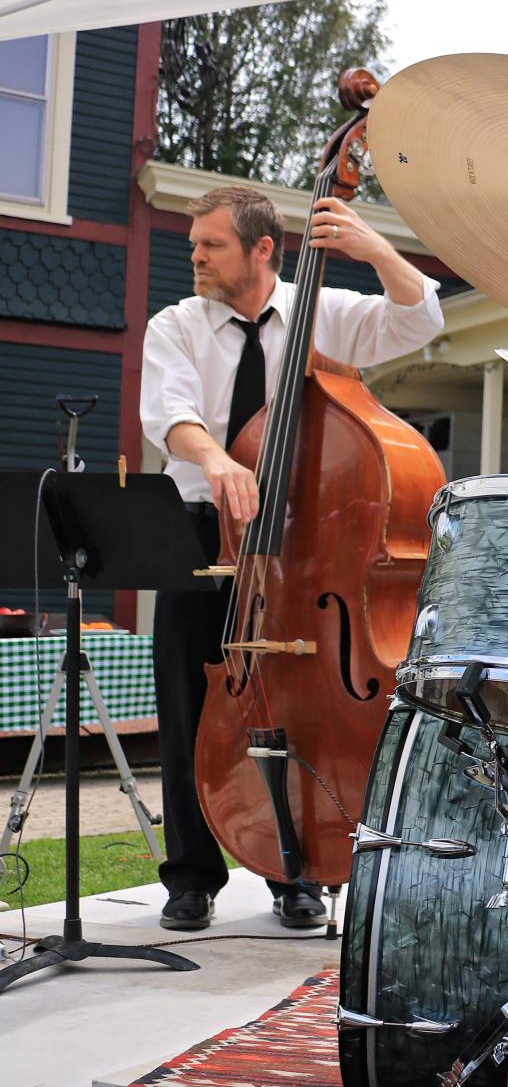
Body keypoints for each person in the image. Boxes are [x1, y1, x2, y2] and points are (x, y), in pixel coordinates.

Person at [140, 186, 443, 930]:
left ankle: (295, 869)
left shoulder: (329, 314)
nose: (197, 256)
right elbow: (170, 415)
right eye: (194, 244)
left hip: (306, 547)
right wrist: (217, 459)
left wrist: (372, 247)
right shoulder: (176, 324)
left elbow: (420, 316)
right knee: (189, 701)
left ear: (262, 249)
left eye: (211, 244)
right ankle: (190, 875)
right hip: (203, 526)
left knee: (302, 703)